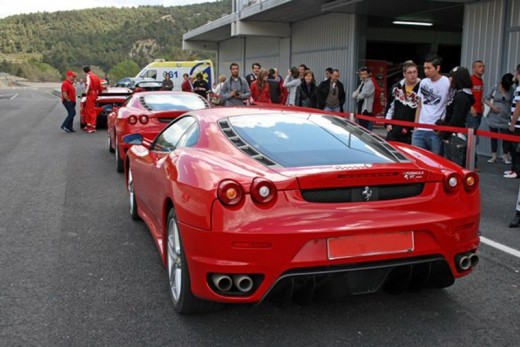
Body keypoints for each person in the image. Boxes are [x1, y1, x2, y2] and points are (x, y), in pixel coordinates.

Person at [411, 53, 450, 155]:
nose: (426, 71)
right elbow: (419, 105)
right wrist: (416, 126)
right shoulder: (423, 82)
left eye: (429, 68)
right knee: (417, 159)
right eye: (424, 68)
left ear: (437, 68)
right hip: (420, 128)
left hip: (436, 129)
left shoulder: (447, 83)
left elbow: (449, 105)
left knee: (436, 161)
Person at [437, 66, 474, 167]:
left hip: (455, 137)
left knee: (453, 167)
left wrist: (445, 134)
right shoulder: (461, 94)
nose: (449, 79)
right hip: (454, 135)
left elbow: (456, 119)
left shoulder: (461, 97)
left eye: (452, 77)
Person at [385, 60, 420, 144]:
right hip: (395, 128)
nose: (413, 75)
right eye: (409, 72)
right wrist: (387, 122)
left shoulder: (422, 87)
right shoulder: (396, 87)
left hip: (412, 130)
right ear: (404, 74)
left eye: (415, 72)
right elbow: (390, 106)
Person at [484, 73, 514, 164]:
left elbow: (513, 102)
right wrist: (493, 107)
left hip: (506, 118)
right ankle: (494, 156)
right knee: (493, 137)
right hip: (493, 117)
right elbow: (486, 99)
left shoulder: (511, 90)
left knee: (506, 138)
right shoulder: (495, 87)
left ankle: (505, 156)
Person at [468, 60, 485, 169]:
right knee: (472, 139)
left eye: (483, 66)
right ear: (474, 68)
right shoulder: (470, 80)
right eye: (479, 66)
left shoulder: (481, 81)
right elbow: (467, 95)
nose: (482, 68)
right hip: (472, 113)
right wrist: (471, 108)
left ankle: (472, 163)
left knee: (474, 138)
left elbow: (479, 96)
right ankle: (471, 164)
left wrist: (482, 106)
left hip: (479, 112)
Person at [504, 64, 520, 179]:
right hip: (516, 123)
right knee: (512, 147)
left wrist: (513, 123)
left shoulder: (519, 88)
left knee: (515, 148)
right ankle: (513, 169)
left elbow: (518, 107)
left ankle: (517, 171)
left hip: (518, 124)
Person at [82, 66, 103, 133]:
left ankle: (92, 126)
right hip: (95, 94)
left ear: (84, 71)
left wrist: (86, 92)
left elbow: (88, 84)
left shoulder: (88, 76)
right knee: (90, 109)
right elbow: (100, 87)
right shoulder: (96, 76)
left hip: (90, 94)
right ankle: (89, 125)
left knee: (90, 110)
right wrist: (99, 93)